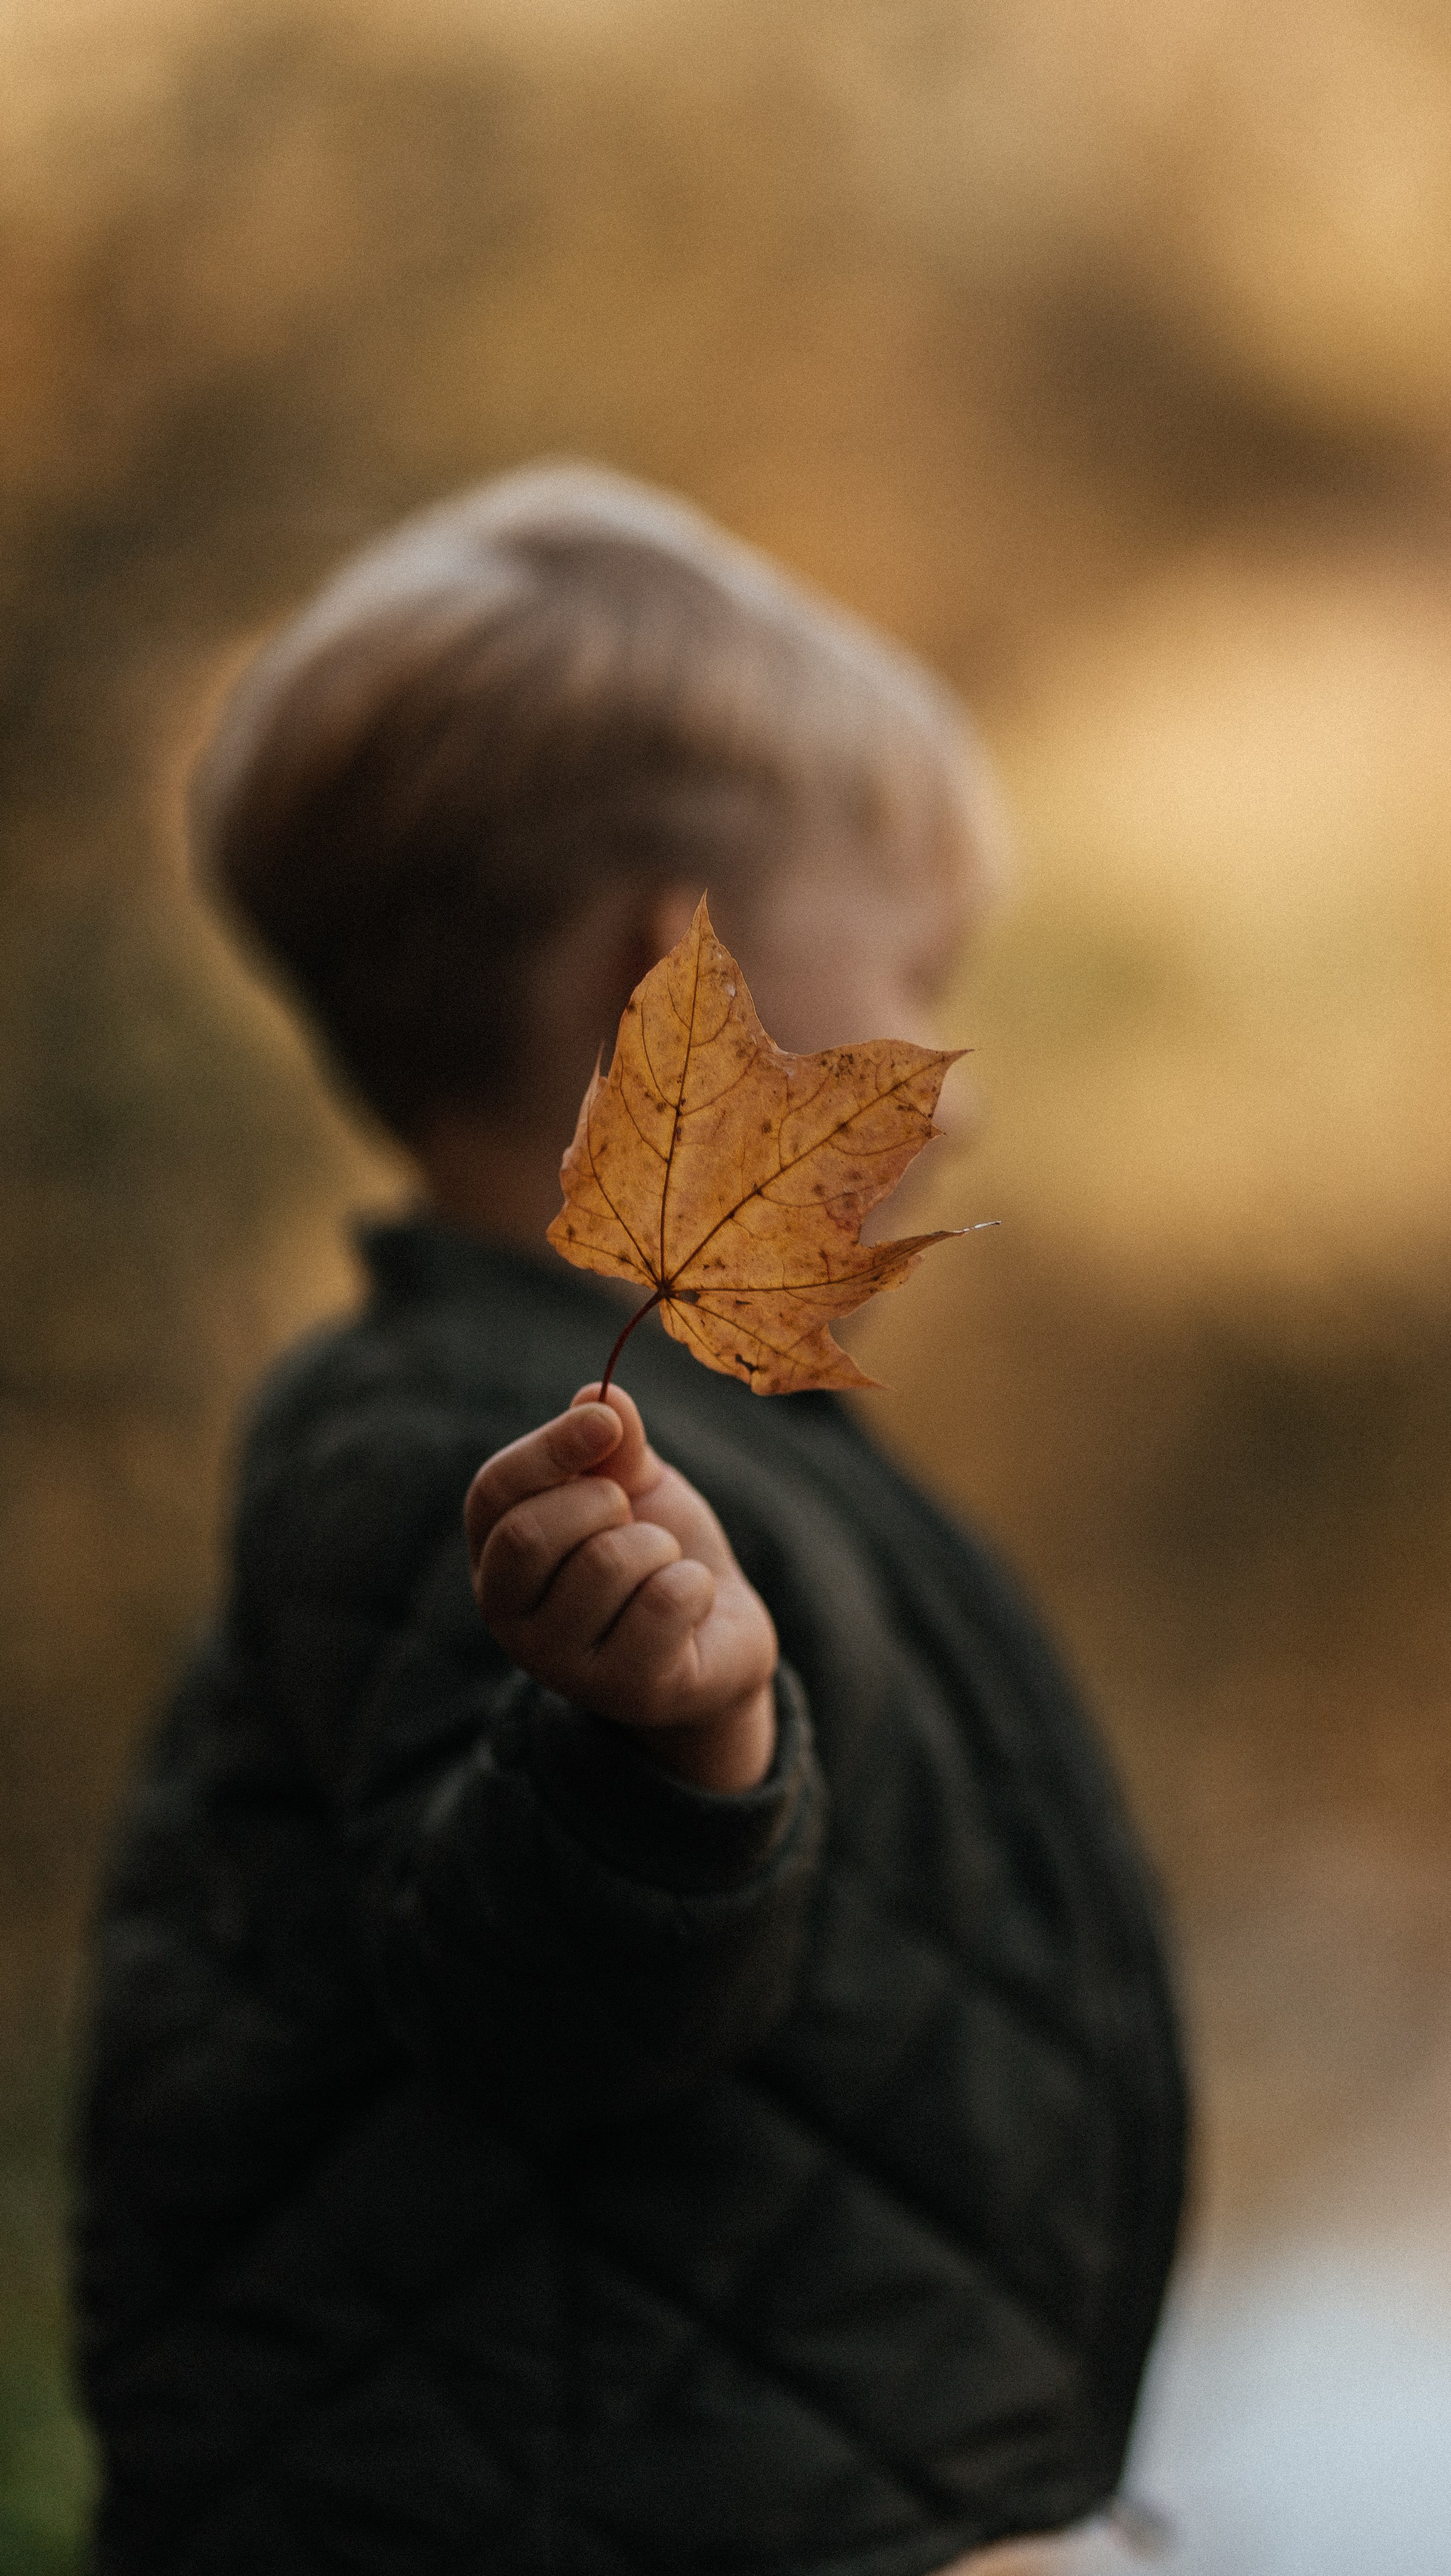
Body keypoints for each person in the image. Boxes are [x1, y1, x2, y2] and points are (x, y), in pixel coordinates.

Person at [74, 467, 1187, 2575]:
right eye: (915, 964)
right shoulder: (452, 1458)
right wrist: (663, 1762)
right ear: (665, 966)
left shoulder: (698, 1435)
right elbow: (530, 1987)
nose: (946, 1083)